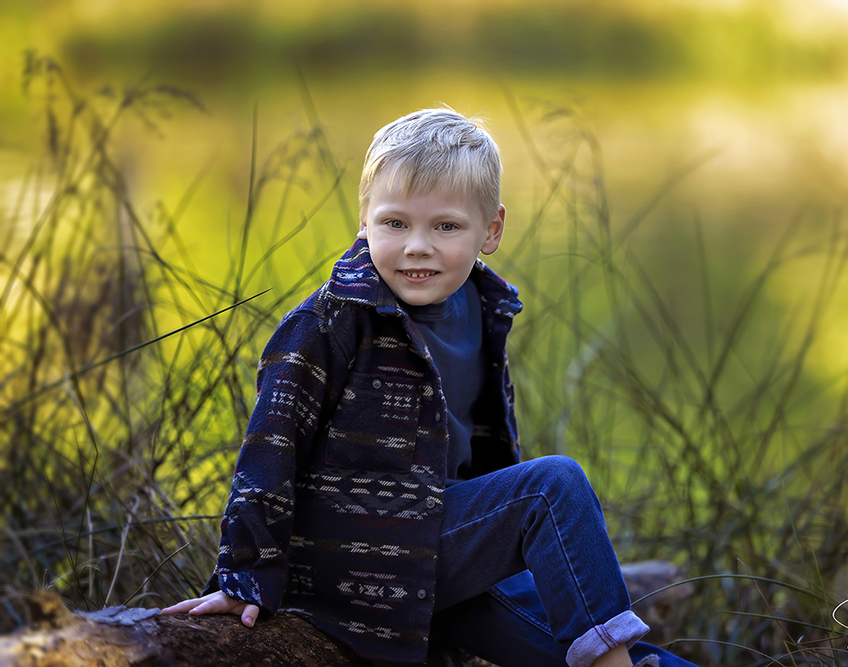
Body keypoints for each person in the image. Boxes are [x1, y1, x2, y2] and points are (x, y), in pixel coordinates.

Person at [162, 108, 697, 667]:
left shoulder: (480, 306)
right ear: (364, 220)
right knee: (551, 487)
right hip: (356, 560)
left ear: (490, 231)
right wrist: (243, 577)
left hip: (436, 556)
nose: (418, 246)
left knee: (614, 656)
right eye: (395, 223)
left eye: (445, 226)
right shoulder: (329, 324)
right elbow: (269, 450)